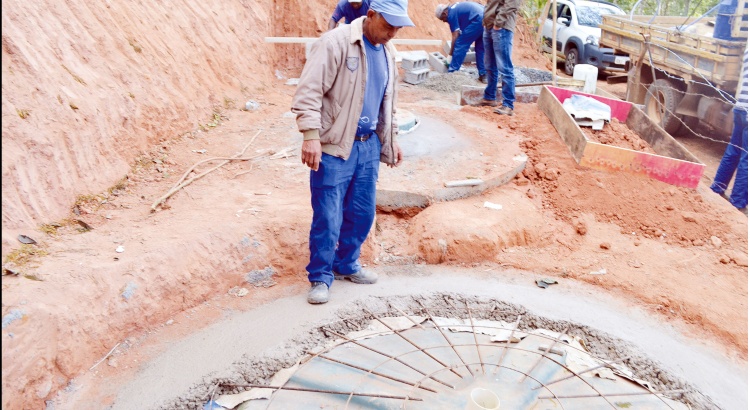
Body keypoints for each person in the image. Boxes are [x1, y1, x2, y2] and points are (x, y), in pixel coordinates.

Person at [292, 0, 411, 304]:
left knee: (361, 213)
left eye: (399, 27)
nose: (393, 33)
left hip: (368, 145)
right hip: (335, 146)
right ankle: (320, 275)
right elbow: (309, 90)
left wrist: (391, 138)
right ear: (371, 15)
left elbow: (388, 101)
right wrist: (310, 135)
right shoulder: (335, 43)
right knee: (328, 216)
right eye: (388, 25)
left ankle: (346, 264)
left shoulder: (387, 51)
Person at [710, 46, 748, 211]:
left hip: (741, 106)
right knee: (746, 158)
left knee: (733, 151)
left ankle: (716, 189)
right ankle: (737, 203)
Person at [480, 0, 521, 116]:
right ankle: (489, 97)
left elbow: (513, 3)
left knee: (505, 67)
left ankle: (508, 105)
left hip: (502, 27)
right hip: (489, 26)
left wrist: (498, 23)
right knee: (489, 65)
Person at [435, 2, 487, 83]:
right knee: (480, 48)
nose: (444, 21)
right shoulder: (456, 8)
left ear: (444, 13)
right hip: (487, 17)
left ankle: (452, 73)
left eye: (442, 19)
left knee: (460, 44)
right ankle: (484, 75)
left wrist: (450, 55)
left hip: (478, 20)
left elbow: (455, 36)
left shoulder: (451, 14)